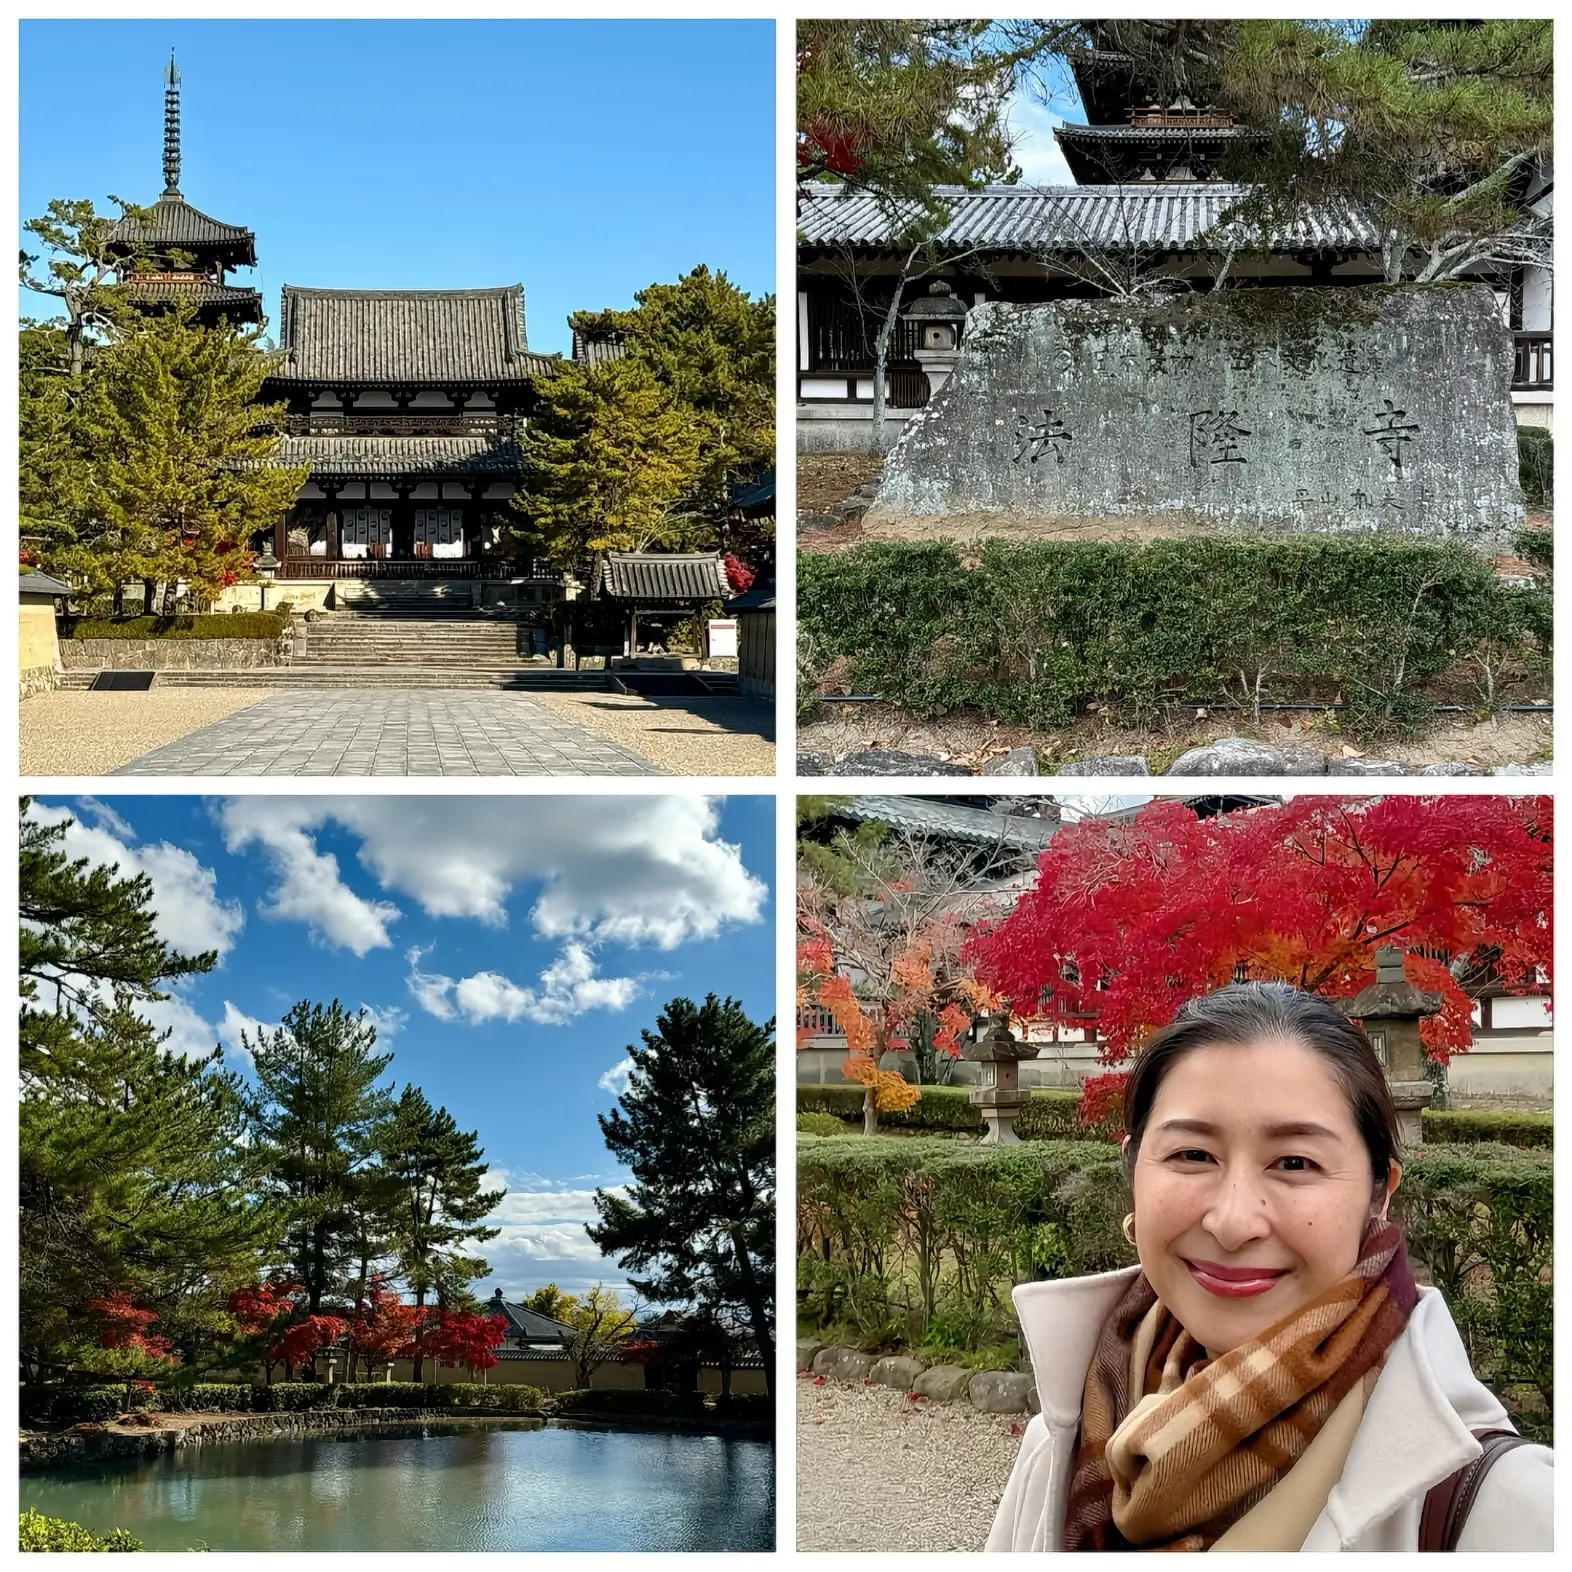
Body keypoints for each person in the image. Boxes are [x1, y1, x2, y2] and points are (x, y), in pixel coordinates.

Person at [986, 982, 1552, 1552]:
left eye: (1294, 1162)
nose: (1233, 1222)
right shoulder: (1066, 1436)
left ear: (1378, 1194)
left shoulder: (1508, 1511)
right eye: (1192, 1155)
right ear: (1135, 1170)